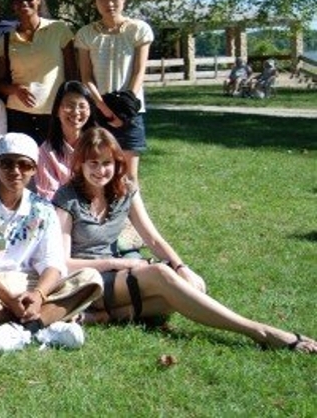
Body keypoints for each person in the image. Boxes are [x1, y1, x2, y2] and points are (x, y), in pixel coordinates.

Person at [53, 127, 317, 353]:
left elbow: (153, 238)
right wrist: (123, 265)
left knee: (186, 292)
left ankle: (105, 317)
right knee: (160, 275)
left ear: (117, 162)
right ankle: (259, 331)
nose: (101, 170)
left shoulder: (125, 189)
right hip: (87, 280)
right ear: (81, 164)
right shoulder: (67, 198)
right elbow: (65, 263)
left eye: (107, 163)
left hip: (117, 274)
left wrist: (181, 267)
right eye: (93, 163)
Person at [0, 133, 103, 354]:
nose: (15, 171)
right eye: (6, 163)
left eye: (24, 165)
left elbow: (52, 261)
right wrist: (8, 297)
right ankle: (39, 326)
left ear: (34, 170)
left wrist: (38, 295)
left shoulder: (43, 209)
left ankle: (18, 330)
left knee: (91, 278)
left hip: (31, 284)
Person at [74, 0, 153, 182]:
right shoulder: (86, 34)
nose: (109, 3)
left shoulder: (139, 30)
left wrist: (125, 108)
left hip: (131, 111)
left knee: (128, 176)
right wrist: (106, 110)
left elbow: (139, 71)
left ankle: (130, 216)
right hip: (99, 111)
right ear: (94, 2)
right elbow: (86, 77)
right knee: (98, 174)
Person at [0, 0, 76, 146]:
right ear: (12, 4)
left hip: (54, 112)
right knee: (24, 165)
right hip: (18, 113)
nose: (23, 2)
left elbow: (72, 74)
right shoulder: (6, 39)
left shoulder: (59, 29)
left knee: (55, 165)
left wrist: (69, 106)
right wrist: (15, 90)